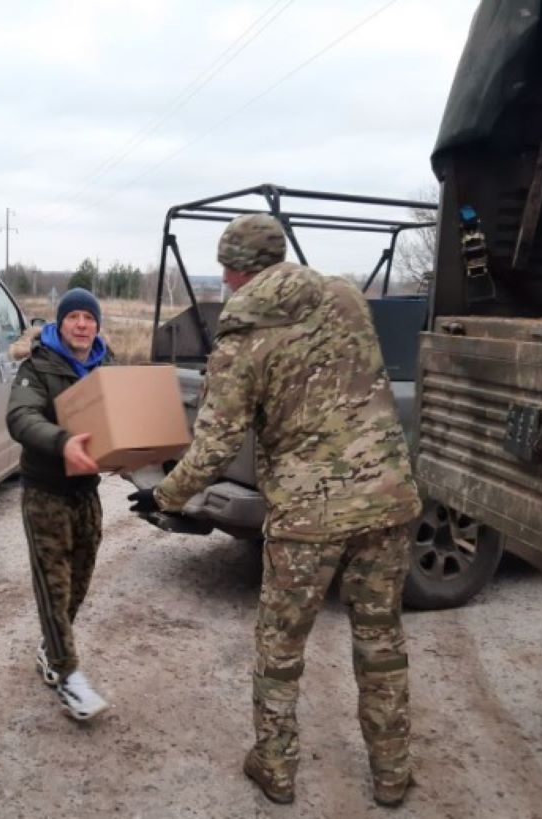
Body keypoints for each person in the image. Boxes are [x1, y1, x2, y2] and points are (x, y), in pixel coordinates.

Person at [128, 215, 422, 806]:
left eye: (225, 270)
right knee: (381, 641)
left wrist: (166, 497)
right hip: (388, 498)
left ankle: (276, 767)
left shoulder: (241, 339)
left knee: (281, 647)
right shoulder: (345, 297)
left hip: (308, 514)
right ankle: (391, 773)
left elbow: (213, 447)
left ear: (234, 270)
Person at [6, 287, 112, 721]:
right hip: (46, 492)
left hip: (86, 492)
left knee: (80, 581)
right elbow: (20, 417)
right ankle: (69, 676)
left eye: (89, 317)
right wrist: (62, 441)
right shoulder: (38, 367)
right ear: (60, 323)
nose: (83, 324)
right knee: (55, 586)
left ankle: (52, 648)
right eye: (74, 317)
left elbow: (116, 422)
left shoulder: (106, 366)